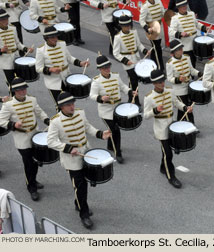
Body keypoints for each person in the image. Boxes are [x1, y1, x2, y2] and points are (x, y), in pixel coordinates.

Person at [47, 92, 111, 229]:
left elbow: (87, 127)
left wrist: (100, 134)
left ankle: (79, 203)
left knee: (84, 183)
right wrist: (67, 148)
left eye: (73, 103)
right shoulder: (55, 121)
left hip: (86, 153)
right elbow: (51, 142)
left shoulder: (80, 113)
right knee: (80, 186)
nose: (72, 107)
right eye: (68, 105)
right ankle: (84, 214)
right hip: (72, 159)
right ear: (61, 107)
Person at [0, 77, 50, 201]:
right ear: (15, 91)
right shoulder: (8, 105)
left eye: (24, 89)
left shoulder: (32, 100)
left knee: (36, 161)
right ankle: (31, 188)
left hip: (35, 134)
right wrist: (13, 125)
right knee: (28, 163)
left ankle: (33, 179)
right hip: (21, 138)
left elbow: (39, 112)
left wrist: (48, 121)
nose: (23, 92)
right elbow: (1, 120)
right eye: (20, 90)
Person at [144, 69, 192, 189]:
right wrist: (155, 111)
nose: (162, 84)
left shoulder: (170, 91)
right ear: (154, 83)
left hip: (171, 125)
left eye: (162, 81)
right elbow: (145, 115)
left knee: (167, 152)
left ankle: (162, 167)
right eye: (159, 82)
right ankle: (171, 177)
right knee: (168, 153)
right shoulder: (149, 97)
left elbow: (176, 103)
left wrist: (185, 108)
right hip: (161, 129)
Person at [90, 54, 136, 164]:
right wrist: (101, 98)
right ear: (100, 69)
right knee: (116, 130)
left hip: (117, 108)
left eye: (108, 66)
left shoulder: (115, 76)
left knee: (114, 129)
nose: (107, 69)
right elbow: (92, 95)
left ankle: (110, 145)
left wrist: (130, 91)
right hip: (106, 111)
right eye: (104, 68)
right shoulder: (96, 81)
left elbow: (123, 87)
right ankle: (118, 152)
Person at [35, 26, 90, 111]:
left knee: (70, 104)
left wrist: (80, 63)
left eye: (56, 36)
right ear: (46, 38)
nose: (55, 39)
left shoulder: (62, 44)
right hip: (53, 82)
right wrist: (50, 69)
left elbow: (69, 58)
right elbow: (38, 68)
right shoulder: (41, 50)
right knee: (60, 106)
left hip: (66, 77)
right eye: (52, 37)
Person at [113, 15, 151, 107]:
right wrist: (125, 61)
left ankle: (131, 98)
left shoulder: (134, 32)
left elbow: (138, 44)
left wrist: (145, 50)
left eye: (129, 25)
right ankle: (135, 101)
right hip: (128, 62)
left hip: (136, 59)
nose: (128, 27)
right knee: (133, 81)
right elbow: (116, 53)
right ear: (121, 26)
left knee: (134, 81)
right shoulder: (118, 37)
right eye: (126, 26)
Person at [166, 39, 202, 123]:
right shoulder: (170, 63)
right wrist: (178, 79)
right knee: (186, 108)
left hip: (188, 87)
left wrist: (199, 73)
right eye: (179, 49)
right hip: (179, 90)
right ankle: (191, 126)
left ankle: (179, 126)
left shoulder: (187, 57)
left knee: (183, 109)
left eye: (181, 48)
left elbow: (192, 70)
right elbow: (169, 78)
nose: (181, 50)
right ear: (174, 52)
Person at [169, 0, 210, 68]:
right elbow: (170, 32)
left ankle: (193, 77)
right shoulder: (175, 18)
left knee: (193, 64)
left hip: (194, 45)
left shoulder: (191, 14)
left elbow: (196, 24)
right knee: (186, 66)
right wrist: (180, 33)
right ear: (178, 8)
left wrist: (205, 28)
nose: (185, 7)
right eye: (182, 6)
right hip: (185, 47)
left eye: (185, 5)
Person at [0, 8, 33, 92]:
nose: (6, 21)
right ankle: (13, 98)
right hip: (5, 61)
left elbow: (18, 43)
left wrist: (26, 48)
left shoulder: (13, 28)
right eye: (3, 20)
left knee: (20, 81)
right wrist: (1, 50)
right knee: (11, 82)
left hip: (16, 57)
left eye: (6, 18)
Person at [139, 0, 165, 71]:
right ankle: (160, 69)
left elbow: (163, 13)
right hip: (151, 30)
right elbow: (141, 20)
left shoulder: (159, 2)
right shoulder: (145, 6)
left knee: (155, 48)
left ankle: (152, 65)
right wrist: (147, 28)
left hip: (159, 28)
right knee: (157, 49)